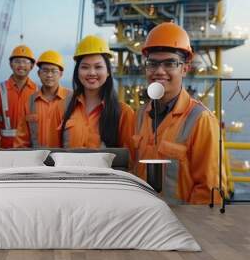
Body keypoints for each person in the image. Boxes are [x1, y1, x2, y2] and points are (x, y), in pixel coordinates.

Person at [132, 22, 225, 204]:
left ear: (185, 68)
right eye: (152, 63)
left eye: (169, 63)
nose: (159, 71)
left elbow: (209, 191)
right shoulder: (141, 114)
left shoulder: (201, 120)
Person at [60, 35, 135, 150]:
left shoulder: (124, 113)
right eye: (85, 67)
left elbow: (129, 160)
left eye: (98, 67)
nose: (91, 72)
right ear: (77, 71)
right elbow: (53, 152)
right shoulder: (62, 107)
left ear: (108, 71)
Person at [14, 50, 71, 148]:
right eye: (45, 70)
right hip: (36, 160)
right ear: (38, 73)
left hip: (64, 160)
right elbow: (21, 140)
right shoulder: (30, 102)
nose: (49, 75)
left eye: (54, 71)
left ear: (61, 74)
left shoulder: (71, 98)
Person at [0, 45, 37, 148]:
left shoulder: (38, 91)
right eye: (17, 61)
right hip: (6, 149)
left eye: (25, 62)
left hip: (30, 150)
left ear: (32, 66)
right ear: (10, 64)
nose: (21, 65)